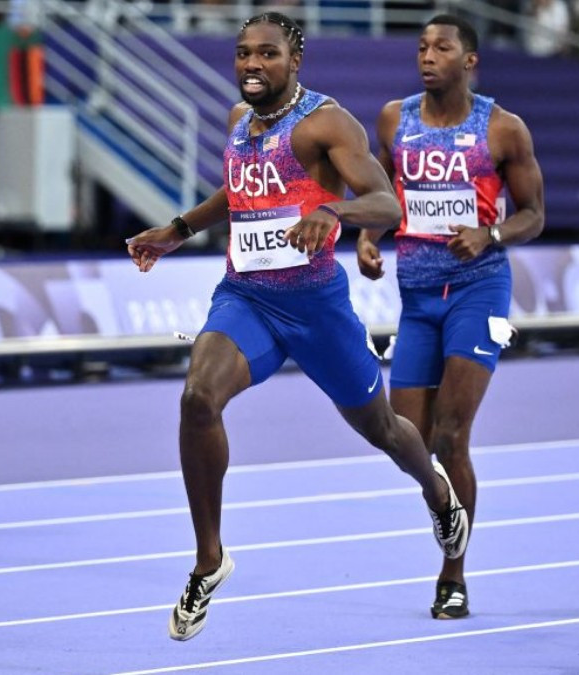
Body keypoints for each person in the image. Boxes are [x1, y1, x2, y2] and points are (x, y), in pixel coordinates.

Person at [125, 12, 469, 641]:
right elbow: (237, 195)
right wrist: (177, 231)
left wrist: (332, 210)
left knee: (385, 431)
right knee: (198, 398)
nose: (252, 65)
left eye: (267, 54)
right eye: (243, 55)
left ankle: (438, 495)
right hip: (246, 299)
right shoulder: (238, 121)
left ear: (295, 60)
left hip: (316, 309)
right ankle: (210, 559)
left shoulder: (326, 123)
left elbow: (388, 202)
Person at [356, 14, 545, 620]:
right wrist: (369, 236)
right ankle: (445, 506)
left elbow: (534, 214)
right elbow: (382, 191)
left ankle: (453, 575)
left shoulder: (503, 129)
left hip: (478, 291)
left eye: (442, 47)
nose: (427, 56)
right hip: (416, 299)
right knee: (406, 441)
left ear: (470, 62)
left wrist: (489, 233)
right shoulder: (394, 119)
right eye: (421, 46)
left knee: (450, 435)